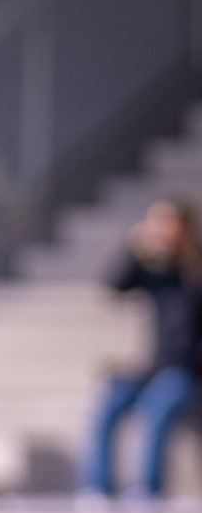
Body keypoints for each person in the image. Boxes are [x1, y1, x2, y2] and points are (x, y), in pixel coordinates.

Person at [82, 200, 202, 496]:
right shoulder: (157, 272)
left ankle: (148, 490)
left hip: (188, 372)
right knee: (111, 399)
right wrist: (134, 249)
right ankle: (98, 488)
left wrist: (187, 255)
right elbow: (114, 285)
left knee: (159, 404)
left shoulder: (194, 273)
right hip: (153, 368)